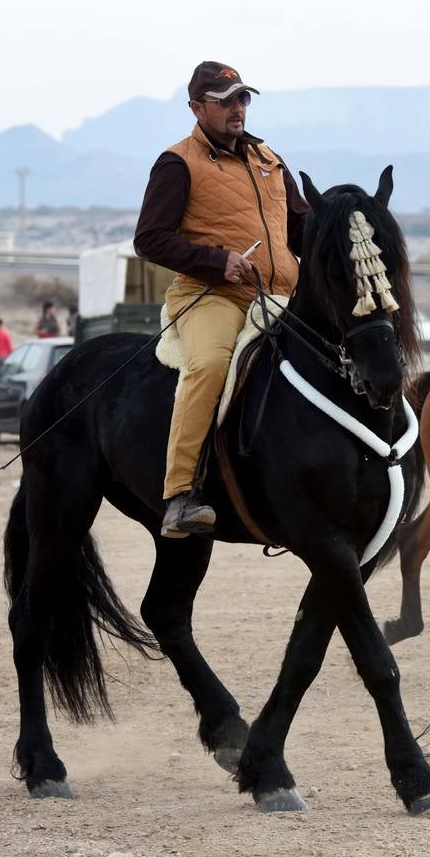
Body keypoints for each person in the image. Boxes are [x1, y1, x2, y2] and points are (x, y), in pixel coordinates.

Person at [134, 61, 309, 538]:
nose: (237, 108)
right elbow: (148, 239)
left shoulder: (269, 159)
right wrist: (216, 261)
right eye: (225, 100)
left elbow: (302, 229)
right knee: (210, 365)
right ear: (196, 107)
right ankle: (181, 494)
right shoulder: (177, 162)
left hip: (280, 295)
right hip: (212, 293)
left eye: (243, 99)